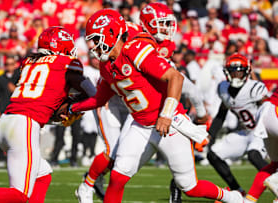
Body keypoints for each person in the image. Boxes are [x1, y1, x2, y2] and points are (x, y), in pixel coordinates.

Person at [69, 9, 244, 203]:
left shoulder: (134, 50)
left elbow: (175, 78)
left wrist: (166, 115)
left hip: (169, 125)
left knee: (189, 187)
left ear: (111, 33)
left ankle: (233, 197)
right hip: (140, 125)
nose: (93, 46)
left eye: (96, 39)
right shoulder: (106, 65)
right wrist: (71, 109)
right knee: (117, 177)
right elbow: (99, 99)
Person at [0, 26, 97, 203]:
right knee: (20, 195)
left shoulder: (28, 62)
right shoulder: (67, 63)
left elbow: (42, 96)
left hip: (6, 121)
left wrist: (62, 107)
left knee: (43, 174)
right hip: (24, 125)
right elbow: (93, 94)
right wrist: (71, 108)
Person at [139, 3, 210, 202]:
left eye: (166, 24)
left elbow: (182, 84)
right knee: (123, 164)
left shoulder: (162, 46)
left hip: (163, 98)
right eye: (161, 24)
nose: (166, 28)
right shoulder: (137, 40)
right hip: (141, 105)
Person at [75, 18, 143, 202]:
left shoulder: (139, 40)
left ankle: (94, 179)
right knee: (113, 150)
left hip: (130, 100)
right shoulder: (108, 61)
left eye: (99, 40)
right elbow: (101, 93)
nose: (97, 46)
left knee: (126, 153)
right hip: (110, 98)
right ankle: (87, 185)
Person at [207, 53, 268, 196]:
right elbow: (221, 114)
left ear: (246, 72)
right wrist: (210, 136)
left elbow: (268, 109)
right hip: (246, 132)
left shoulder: (255, 88)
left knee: (254, 155)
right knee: (213, 154)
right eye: (232, 71)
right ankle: (238, 191)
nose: (235, 74)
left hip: (262, 131)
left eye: (239, 71)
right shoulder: (223, 88)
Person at [244, 88, 278, 202]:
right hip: (275, 113)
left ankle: (249, 200)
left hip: (266, 110)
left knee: (274, 164)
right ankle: (276, 179)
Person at [0, 55, 20, 167]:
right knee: (2, 135)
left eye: (11, 64)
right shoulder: (1, 78)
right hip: (4, 109)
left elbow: (21, 92)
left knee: (16, 135)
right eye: (7, 64)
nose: (9, 66)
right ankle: (1, 157)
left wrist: (13, 88)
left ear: (15, 65)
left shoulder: (19, 77)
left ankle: (15, 157)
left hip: (16, 109)